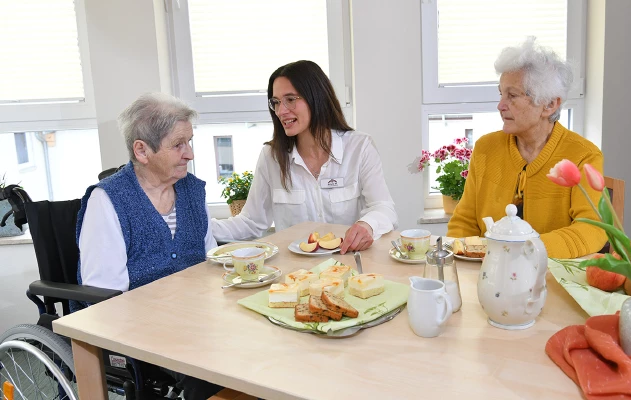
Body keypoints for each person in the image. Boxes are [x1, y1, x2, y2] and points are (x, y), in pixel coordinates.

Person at [76, 93, 222, 399]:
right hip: (144, 334)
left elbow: (211, 263)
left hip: (199, 321)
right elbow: (105, 298)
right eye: (178, 144)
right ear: (142, 150)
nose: (190, 154)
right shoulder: (108, 201)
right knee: (214, 373)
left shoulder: (193, 192)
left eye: (190, 142)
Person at [212, 60, 398, 254]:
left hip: (349, 269)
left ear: (316, 98)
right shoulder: (271, 157)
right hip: (294, 276)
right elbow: (251, 222)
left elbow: (384, 208)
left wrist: (367, 225)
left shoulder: (359, 147)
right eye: (276, 102)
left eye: (290, 99)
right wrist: (199, 227)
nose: (281, 111)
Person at [447, 37, 606, 258]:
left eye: (512, 96)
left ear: (550, 104)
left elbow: (593, 229)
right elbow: (464, 222)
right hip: (489, 273)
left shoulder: (583, 156)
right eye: (501, 94)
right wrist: (464, 263)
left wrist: (527, 251)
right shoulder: (486, 148)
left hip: (550, 277)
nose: (500, 105)